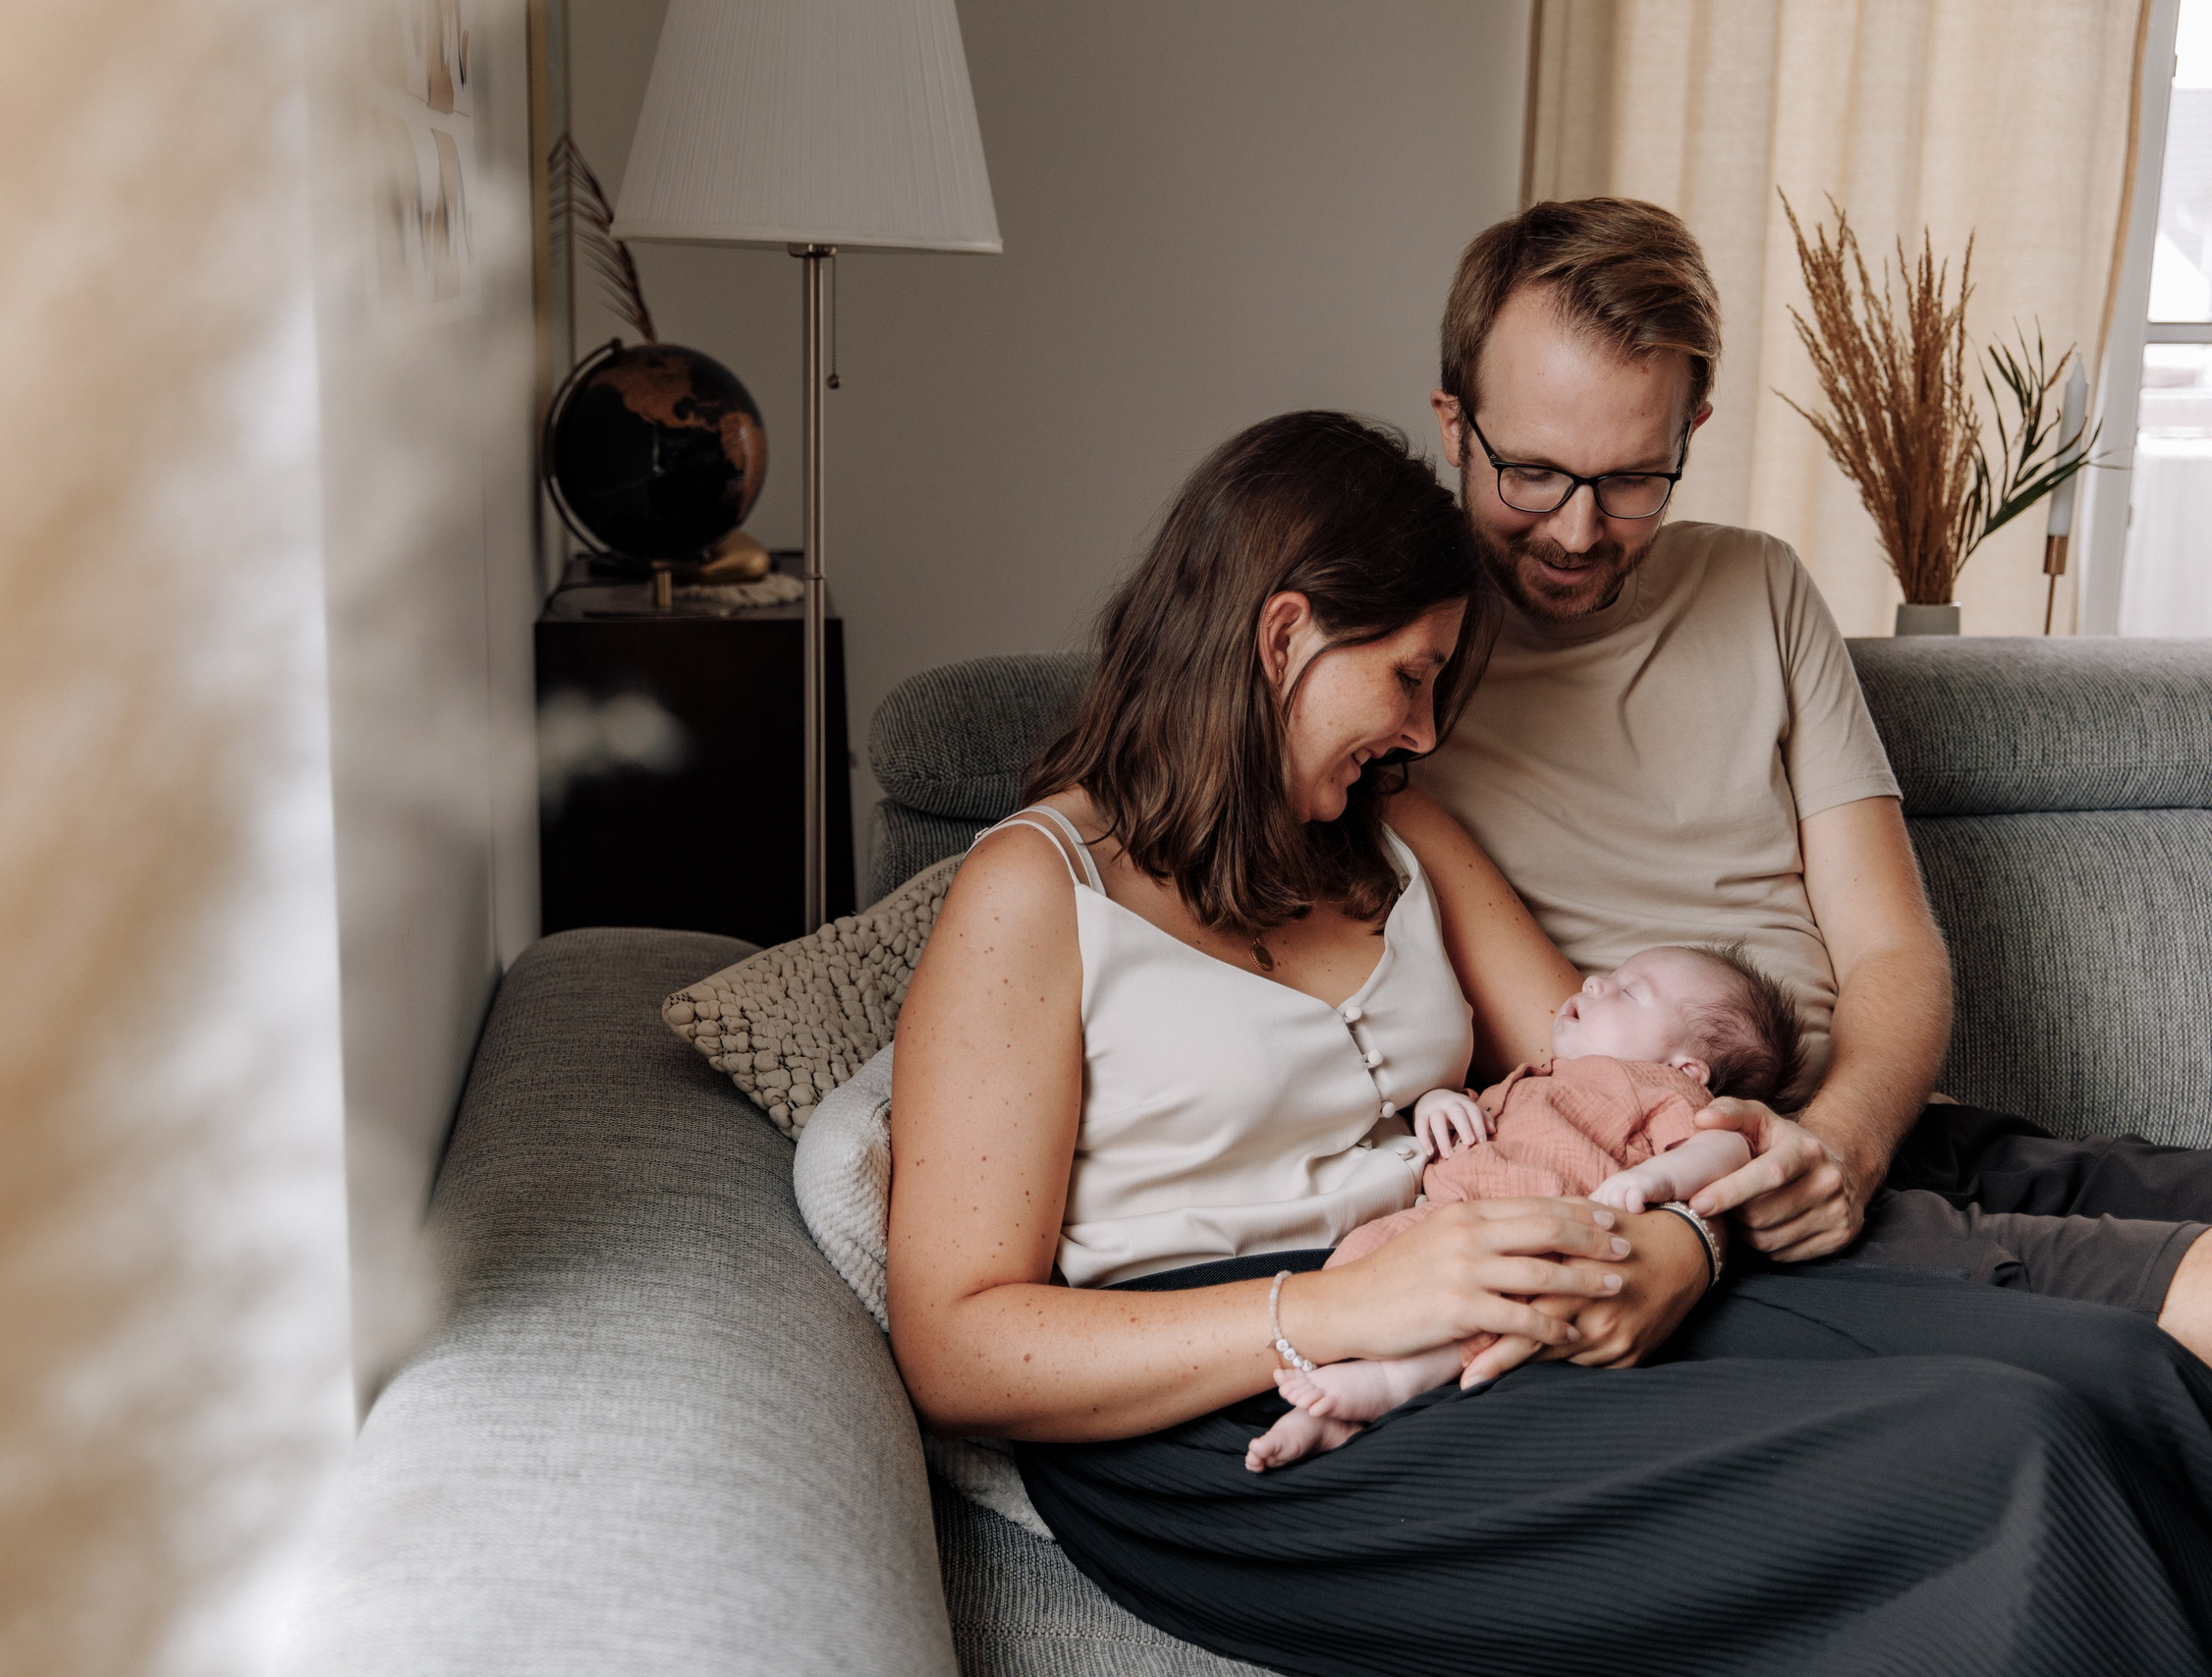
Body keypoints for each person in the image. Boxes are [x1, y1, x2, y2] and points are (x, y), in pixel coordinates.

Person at [888, 408, 2212, 1674]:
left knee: (2118, 1376)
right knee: (2013, 1445)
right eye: (1406, 677)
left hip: (1488, 1272)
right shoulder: (1034, 891)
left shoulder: (1400, 846)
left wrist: (1686, 1234)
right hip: (1235, 1409)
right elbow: (954, 1345)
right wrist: (1344, 1304)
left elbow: (1608, 1081)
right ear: (1284, 634)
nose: (1420, 731)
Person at [1410, 197, 2212, 1350]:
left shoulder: (1758, 587)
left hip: (1882, 1133)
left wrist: (1845, 1139)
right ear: (1452, 422)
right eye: (1531, 473)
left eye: (1635, 477)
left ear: (1692, 429)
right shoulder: (1395, 660)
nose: (1578, 532)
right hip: (1674, 1178)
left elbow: (1889, 945)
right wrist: (1751, 1174)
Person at [1244, 943, 1789, 1473]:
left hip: (1536, 1230)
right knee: (1360, 1268)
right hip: (1438, 1221)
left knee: (1500, 1304)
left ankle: (1391, 1385)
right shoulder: (1536, 1076)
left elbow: (1728, 1146)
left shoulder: (1657, 1088)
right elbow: (1474, 1123)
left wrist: (1656, 1177)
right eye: (1609, 974)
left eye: (1629, 991)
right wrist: (1439, 1100)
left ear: (1688, 1069)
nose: (1595, 983)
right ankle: (1332, 1413)